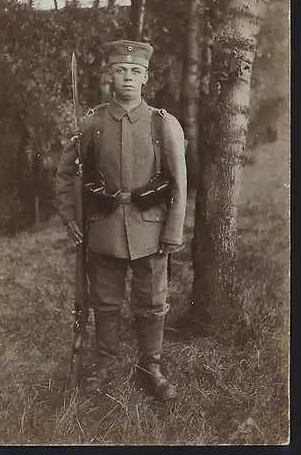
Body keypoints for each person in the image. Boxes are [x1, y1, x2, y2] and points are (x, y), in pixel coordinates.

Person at [56, 40, 187, 401]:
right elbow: (66, 173)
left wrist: (174, 229)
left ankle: (151, 367)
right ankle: (107, 362)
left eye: (135, 72)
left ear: (145, 78)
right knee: (106, 301)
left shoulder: (163, 123)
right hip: (104, 227)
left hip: (152, 229)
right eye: (120, 70)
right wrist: (69, 215)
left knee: (152, 301)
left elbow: (178, 181)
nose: (127, 78)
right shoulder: (91, 122)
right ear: (109, 75)